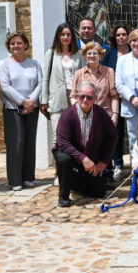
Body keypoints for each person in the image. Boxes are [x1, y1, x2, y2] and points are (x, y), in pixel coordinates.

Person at [54, 81, 117, 207]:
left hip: (91, 158)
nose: (85, 100)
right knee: (64, 159)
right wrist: (82, 158)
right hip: (70, 155)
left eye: (89, 97)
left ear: (95, 98)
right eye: (82, 96)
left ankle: (72, 181)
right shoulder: (68, 114)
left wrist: (104, 161)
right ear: (77, 97)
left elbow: (112, 136)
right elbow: (63, 142)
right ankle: (63, 195)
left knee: (99, 191)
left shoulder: (101, 113)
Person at [0, 31, 43, 191]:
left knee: (30, 142)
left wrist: (31, 101)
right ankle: (15, 180)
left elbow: (40, 83)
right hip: (13, 108)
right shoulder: (4, 64)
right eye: (12, 43)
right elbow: (5, 86)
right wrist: (23, 101)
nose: (16, 46)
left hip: (32, 108)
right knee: (16, 143)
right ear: (9, 46)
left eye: (19, 43)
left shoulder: (34, 64)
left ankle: (28, 177)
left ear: (25, 45)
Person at [71, 42, 121, 187]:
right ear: (85, 56)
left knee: (106, 145)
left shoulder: (109, 71)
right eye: (89, 53)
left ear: (100, 56)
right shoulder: (79, 73)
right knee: (89, 145)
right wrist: (78, 111)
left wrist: (115, 114)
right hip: (86, 115)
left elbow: (114, 95)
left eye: (95, 53)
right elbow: (73, 95)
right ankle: (89, 177)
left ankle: (107, 176)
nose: (92, 56)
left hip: (105, 114)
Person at [40, 23, 86, 174]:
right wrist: (44, 100)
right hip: (56, 98)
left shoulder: (79, 54)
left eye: (68, 34)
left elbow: (84, 77)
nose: (65, 37)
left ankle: (73, 170)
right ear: (58, 36)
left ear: (72, 37)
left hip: (75, 97)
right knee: (57, 137)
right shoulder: (51, 53)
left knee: (75, 136)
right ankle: (59, 172)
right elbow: (45, 78)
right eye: (62, 34)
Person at [102, 23, 131, 180]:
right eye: (118, 35)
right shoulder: (109, 53)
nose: (121, 37)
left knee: (134, 132)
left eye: (124, 34)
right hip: (114, 99)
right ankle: (118, 165)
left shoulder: (134, 51)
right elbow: (105, 75)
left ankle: (136, 164)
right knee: (116, 133)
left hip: (132, 99)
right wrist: (114, 92)